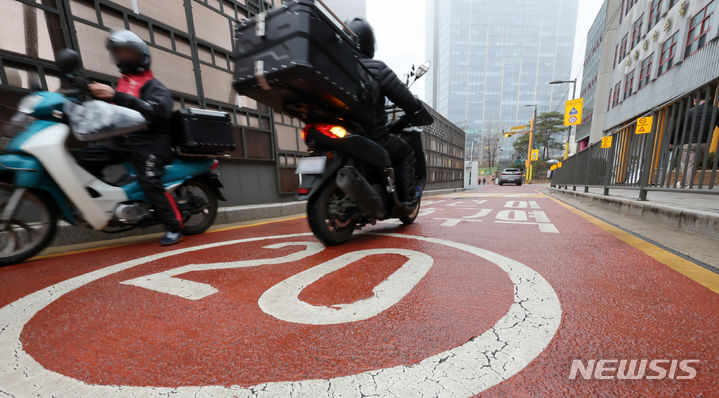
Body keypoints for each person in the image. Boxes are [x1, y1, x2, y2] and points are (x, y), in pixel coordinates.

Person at [75, 30, 184, 246]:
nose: (123, 58)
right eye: (119, 53)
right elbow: (115, 112)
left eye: (128, 53)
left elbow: (158, 112)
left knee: (150, 182)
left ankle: (174, 226)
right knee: (84, 158)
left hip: (150, 143)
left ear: (141, 55)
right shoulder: (123, 83)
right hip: (123, 141)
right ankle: (107, 201)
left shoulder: (154, 86)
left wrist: (115, 96)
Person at [345, 18, 434, 203]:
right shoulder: (376, 69)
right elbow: (405, 99)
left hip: (339, 131)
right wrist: (416, 110)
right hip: (371, 135)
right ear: (368, 42)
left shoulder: (337, 67)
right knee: (406, 153)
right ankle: (407, 197)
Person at [676, 99, 719, 187]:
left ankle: (687, 183)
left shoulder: (689, 111)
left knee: (688, 163)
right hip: (705, 142)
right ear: (709, 97)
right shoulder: (715, 110)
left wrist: (673, 141)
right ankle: (685, 182)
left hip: (688, 142)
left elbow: (679, 127)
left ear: (695, 100)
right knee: (694, 164)